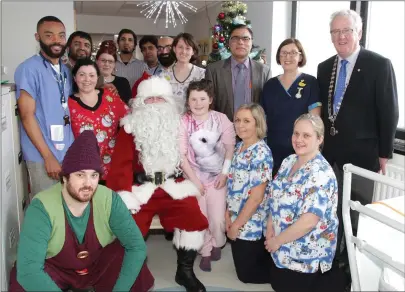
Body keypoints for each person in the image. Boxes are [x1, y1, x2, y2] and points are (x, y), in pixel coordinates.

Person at [9, 130, 154, 292]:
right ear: (64, 177)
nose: (88, 183)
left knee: (132, 262)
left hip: (96, 266)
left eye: (94, 175)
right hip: (56, 271)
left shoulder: (109, 200)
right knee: (21, 282)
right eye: (80, 175)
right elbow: (29, 269)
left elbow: (136, 247)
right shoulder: (41, 207)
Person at [106, 76, 209, 292]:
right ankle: (135, 270)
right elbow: (120, 165)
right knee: (129, 225)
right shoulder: (129, 128)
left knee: (193, 215)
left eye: (159, 98)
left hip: (173, 186)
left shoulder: (177, 124)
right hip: (141, 190)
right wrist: (125, 194)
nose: (154, 104)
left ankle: (185, 271)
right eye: (149, 99)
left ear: (169, 101)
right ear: (140, 103)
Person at [317, 9, 399, 264]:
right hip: (330, 153)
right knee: (330, 211)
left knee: (356, 213)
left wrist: (384, 153)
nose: (340, 36)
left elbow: (389, 111)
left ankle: (352, 267)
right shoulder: (324, 67)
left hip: (363, 154)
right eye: (335, 31)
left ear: (358, 33)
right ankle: (332, 259)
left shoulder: (379, 64)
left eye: (346, 30)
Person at [265, 114, 343, 292]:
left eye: (306, 135)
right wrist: (270, 225)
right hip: (281, 248)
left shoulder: (321, 174)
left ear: (320, 139)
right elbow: (275, 196)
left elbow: (309, 222)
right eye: (296, 134)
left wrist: (277, 241)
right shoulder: (288, 161)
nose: (299, 140)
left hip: (305, 256)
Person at [179, 79, 236, 272]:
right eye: (193, 99)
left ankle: (217, 242)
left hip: (218, 178)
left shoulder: (221, 119)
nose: (198, 103)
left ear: (210, 99)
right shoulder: (183, 122)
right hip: (194, 178)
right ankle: (205, 251)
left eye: (202, 98)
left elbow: (230, 148)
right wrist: (195, 182)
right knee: (200, 217)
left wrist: (225, 173)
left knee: (217, 219)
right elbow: (181, 155)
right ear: (188, 101)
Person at [15, 16, 74, 197]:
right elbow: (26, 115)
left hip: (66, 153)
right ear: (37, 37)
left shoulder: (65, 70)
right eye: (49, 35)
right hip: (43, 156)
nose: (56, 40)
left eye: (61, 35)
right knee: (46, 211)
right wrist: (48, 157)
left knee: (65, 208)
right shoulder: (29, 69)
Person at [226, 103, 272, 284]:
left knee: (247, 276)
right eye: (237, 120)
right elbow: (231, 185)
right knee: (242, 270)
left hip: (251, 222)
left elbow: (256, 197)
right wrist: (227, 214)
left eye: (246, 121)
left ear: (257, 124)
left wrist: (237, 224)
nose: (240, 125)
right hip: (236, 216)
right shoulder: (238, 148)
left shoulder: (261, 153)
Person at [261, 38, 321, 176]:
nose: (288, 57)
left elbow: (315, 119)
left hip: (300, 148)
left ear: (300, 56)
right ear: (278, 57)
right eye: (283, 53)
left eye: (293, 53)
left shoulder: (310, 82)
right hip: (273, 149)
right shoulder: (270, 85)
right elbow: (263, 119)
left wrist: (314, 148)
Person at [69, 58, 128, 184]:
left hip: (112, 169)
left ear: (97, 77)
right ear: (74, 77)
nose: (87, 80)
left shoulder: (110, 96)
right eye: (82, 75)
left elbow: (130, 119)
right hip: (82, 172)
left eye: (91, 75)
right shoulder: (69, 104)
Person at [205, 24, 271, 121]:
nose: (240, 42)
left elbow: (267, 104)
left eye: (245, 38)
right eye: (235, 38)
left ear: (251, 42)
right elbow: (210, 104)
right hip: (223, 130)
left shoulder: (264, 71)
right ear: (229, 43)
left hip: (253, 131)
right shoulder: (213, 70)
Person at [159, 33, 205, 113]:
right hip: (170, 119)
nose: (183, 51)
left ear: (193, 52)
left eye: (188, 48)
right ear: (174, 49)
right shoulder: (163, 75)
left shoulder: (201, 74)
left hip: (194, 120)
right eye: (180, 47)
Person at [96, 40, 132, 104]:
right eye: (103, 60)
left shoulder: (123, 82)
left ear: (114, 64)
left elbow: (127, 106)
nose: (106, 64)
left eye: (110, 61)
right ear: (97, 61)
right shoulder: (90, 82)